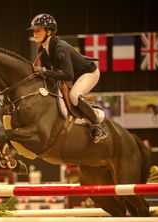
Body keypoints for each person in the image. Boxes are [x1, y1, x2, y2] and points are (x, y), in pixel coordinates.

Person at [28, 13, 107, 143]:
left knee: (74, 96)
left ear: (49, 31)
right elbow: (49, 74)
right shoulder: (42, 50)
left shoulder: (60, 48)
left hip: (88, 73)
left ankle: (98, 126)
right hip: (74, 76)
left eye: (38, 30)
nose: (34, 33)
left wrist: (43, 71)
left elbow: (67, 75)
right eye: (34, 31)